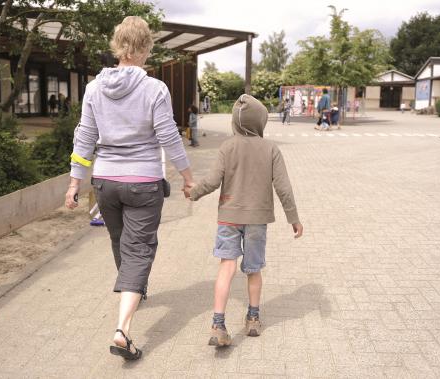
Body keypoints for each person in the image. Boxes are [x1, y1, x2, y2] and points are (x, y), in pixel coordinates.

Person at [65, 16, 194, 361]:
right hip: (142, 182)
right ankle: (123, 330)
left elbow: (85, 136)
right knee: (138, 250)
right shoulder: (154, 89)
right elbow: (168, 135)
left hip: (105, 182)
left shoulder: (94, 88)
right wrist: (188, 175)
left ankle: (133, 288)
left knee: (121, 241)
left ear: (116, 45)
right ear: (147, 48)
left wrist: (75, 180)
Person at [184, 94, 303, 347]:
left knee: (226, 267)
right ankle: (252, 318)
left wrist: (193, 193)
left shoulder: (228, 146)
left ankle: (218, 324)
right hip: (257, 219)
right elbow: (283, 186)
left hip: (229, 216)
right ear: (260, 120)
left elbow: (213, 180)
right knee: (253, 269)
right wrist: (293, 217)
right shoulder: (271, 148)